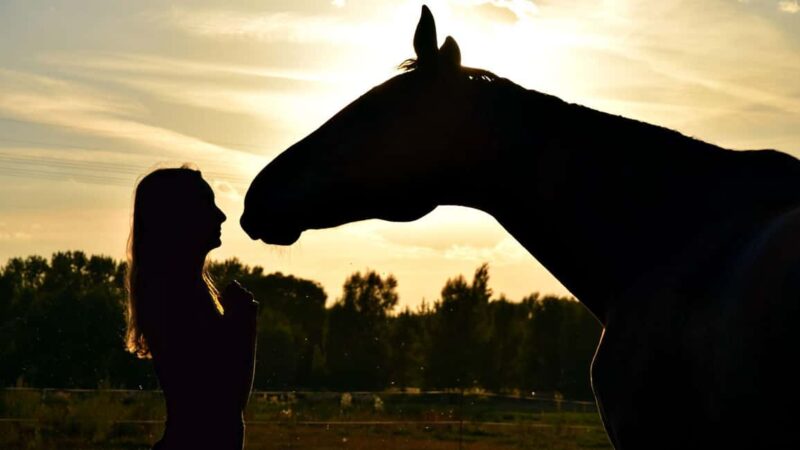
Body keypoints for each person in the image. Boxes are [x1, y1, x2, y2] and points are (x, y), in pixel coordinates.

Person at [123, 166, 258, 450]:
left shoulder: (169, 292)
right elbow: (228, 403)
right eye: (208, 205)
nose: (221, 215)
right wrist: (244, 322)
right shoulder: (178, 297)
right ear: (180, 218)